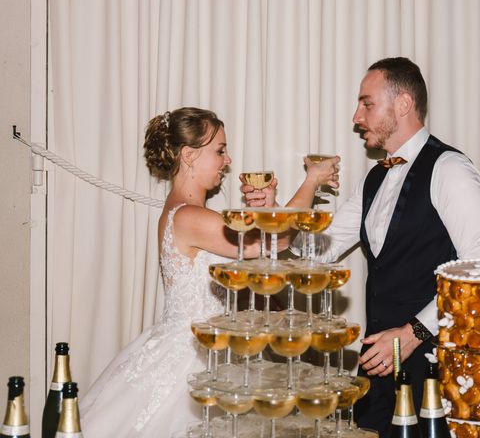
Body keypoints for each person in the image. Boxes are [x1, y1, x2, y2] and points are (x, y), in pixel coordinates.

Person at [244, 58, 480, 437]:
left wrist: (413, 332)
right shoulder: (375, 179)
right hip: (379, 364)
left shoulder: (449, 168)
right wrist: (273, 215)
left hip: (436, 365)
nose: (356, 117)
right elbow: (318, 252)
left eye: (367, 104)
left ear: (403, 105)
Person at [79, 107, 339, 437]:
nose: (227, 161)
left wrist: (267, 207)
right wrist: (312, 179)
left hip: (207, 347)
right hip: (192, 358)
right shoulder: (188, 217)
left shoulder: (186, 213)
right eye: (219, 151)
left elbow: (260, 255)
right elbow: (276, 240)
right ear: (189, 155)